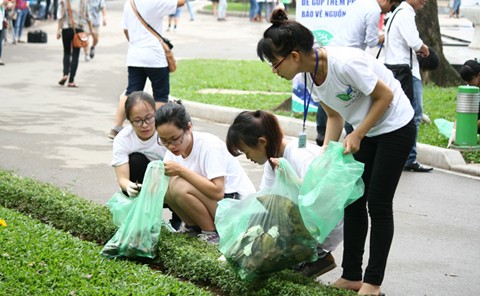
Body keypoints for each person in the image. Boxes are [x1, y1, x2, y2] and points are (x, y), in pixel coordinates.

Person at [257, 9, 416, 295]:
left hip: (395, 126)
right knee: (352, 201)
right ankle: (352, 275)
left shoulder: (343, 63)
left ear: (294, 56)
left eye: (274, 62)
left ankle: (373, 283)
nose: (274, 70)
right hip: (367, 129)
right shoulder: (309, 76)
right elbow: (334, 117)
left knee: (378, 205)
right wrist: (326, 156)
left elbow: (386, 96)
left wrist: (358, 134)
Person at [226, 110, 344, 278]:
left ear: (262, 142)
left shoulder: (298, 154)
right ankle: (304, 257)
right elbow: (264, 201)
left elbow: (320, 194)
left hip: (324, 222)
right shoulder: (272, 161)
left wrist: (291, 179)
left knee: (276, 220)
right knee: (264, 221)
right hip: (304, 219)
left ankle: (319, 256)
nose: (248, 157)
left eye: (247, 152)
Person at [155, 101, 256, 244]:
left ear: (188, 128)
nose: (171, 146)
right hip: (217, 206)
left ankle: (212, 234)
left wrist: (181, 170)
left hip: (236, 208)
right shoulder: (173, 150)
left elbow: (217, 192)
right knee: (167, 186)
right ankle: (193, 229)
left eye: (175, 139)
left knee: (178, 185)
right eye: (164, 141)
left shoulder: (209, 146)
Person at [316, 0, 401, 146]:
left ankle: (322, 134)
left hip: (333, 52)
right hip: (348, 59)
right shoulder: (374, 11)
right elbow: (372, 41)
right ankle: (352, 135)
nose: (388, 11)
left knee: (328, 95)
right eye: (391, 7)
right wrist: (388, 35)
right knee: (352, 100)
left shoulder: (360, 2)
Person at [107, 0, 185, 140]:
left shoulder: (129, 4)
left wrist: (135, 43)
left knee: (130, 92)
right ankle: (157, 131)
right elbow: (181, 3)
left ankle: (116, 127)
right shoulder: (154, 2)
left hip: (134, 55)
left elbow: (126, 30)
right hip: (154, 57)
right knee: (160, 95)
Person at [111, 91, 181, 229]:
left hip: (171, 180)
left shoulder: (166, 131)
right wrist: (130, 187)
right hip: (144, 186)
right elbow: (122, 179)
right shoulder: (123, 139)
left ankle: (180, 218)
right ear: (129, 121)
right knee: (135, 160)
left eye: (149, 118)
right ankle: (141, 216)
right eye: (137, 121)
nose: (144, 125)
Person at [384, 0, 432, 172]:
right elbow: (414, 42)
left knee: (399, 113)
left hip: (395, 69)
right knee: (414, 114)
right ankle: (408, 158)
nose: (424, 1)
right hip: (407, 71)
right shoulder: (405, 13)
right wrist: (425, 48)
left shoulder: (397, 12)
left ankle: (400, 156)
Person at [56, 0, 92, 88]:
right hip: (79, 30)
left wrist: (58, 30)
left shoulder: (64, 1)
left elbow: (60, 16)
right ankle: (71, 80)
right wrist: (91, 29)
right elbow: (87, 16)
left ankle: (65, 74)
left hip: (66, 29)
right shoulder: (83, 1)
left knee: (67, 52)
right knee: (76, 54)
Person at [459, 59, 480, 134]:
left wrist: (469, 126)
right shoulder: (471, 88)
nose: (469, 83)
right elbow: (461, 111)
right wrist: (455, 130)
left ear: (478, 75)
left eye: (470, 80)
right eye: (466, 81)